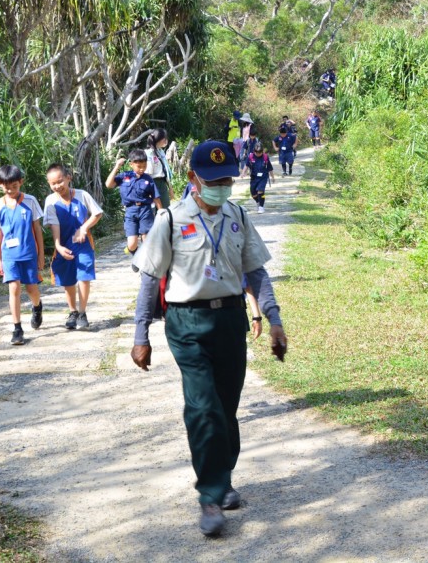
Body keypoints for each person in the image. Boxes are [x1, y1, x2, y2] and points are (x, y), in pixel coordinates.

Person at [129, 140, 288, 538]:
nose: (222, 186)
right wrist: (140, 334)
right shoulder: (170, 220)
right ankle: (210, 497)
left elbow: (256, 272)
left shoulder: (238, 216)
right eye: (213, 180)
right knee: (203, 408)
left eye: (227, 179)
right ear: (192, 179)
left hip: (230, 321)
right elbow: (150, 279)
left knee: (226, 407)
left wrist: (273, 319)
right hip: (187, 323)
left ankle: (223, 478)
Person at [0, 165, 45, 346]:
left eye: (14, 186)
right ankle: (17, 328)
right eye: (6, 187)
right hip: (9, 256)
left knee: (31, 289)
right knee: (14, 288)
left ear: (20, 182)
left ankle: (37, 307)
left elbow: (37, 229)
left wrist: (41, 255)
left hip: (29, 254)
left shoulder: (30, 201)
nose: (10, 190)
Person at [44, 163, 104, 330]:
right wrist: (58, 246)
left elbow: (97, 213)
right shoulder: (50, 201)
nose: (57, 186)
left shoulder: (82, 195)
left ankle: (83, 312)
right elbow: (54, 226)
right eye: (53, 183)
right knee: (68, 280)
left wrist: (84, 228)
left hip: (84, 245)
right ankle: (73, 312)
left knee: (84, 277)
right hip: (64, 247)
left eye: (60, 181)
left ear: (68, 177)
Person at [105, 149, 160, 256]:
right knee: (132, 244)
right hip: (130, 212)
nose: (142, 169)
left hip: (145, 210)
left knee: (147, 240)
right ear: (131, 164)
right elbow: (108, 184)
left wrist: (162, 213)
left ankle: (146, 263)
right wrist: (117, 167)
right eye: (139, 167)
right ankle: (135, 254)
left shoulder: (148, 179)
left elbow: (156, 197)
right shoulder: (124, 176)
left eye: (144, 166)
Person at [243, 141, 274, 213]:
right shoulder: (251, 156)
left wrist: (273, 177)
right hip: (254, 177)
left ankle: (261, 207)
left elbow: (270, 168)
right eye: (256, 152)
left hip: (263, 177)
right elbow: (246, 165)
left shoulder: (265, 157)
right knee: (253, 194)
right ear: (254, 151)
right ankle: (258, 202)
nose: (258, 153)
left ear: (262, 151)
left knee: (260, 191)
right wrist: (243, 173)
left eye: (260, 152)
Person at [145, 129, 172, 209]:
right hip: (153, 183)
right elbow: (147, 173)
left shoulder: (161, 151)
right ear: (159, 139)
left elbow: (165, 171)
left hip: (162, 183)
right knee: (155, 209)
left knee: (165, 208)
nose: (166, 140)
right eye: (164, 138)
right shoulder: (149, 153)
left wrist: (170, 187)